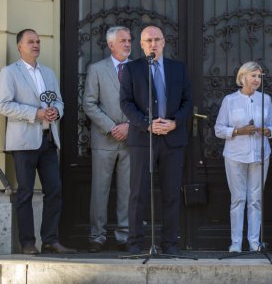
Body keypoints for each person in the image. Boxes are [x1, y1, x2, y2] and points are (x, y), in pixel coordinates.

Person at [0, 29, 76, 254]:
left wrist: (55, 112)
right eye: (30, 41)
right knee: (25, 193)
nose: (36, 45)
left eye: (38, 41)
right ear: (19, 46)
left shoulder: (48, 73)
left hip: (49, 140)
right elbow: (3, 105)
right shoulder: (9, 72)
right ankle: (28, 244)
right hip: (23, 143)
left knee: (55, 190)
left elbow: (59, 101)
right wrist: (36, 113)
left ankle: (50, 240)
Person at [120, 25, 193, 255]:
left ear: (164, 42)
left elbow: (188, 102)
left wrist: (174, 122)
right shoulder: (132, 70)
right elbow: (126, 103)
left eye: (157, 39)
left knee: (171, 194)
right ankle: (135, 243)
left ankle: (170, 243)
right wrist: (146, 123)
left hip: (172, 139)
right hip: (143, 139)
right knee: (138, 194)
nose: (153, 44)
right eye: (148, 40)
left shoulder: (178, 69)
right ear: (141, 44)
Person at [214, 62, 272, 253]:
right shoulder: (230, 100)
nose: (257, 80)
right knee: (238, 198)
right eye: (254, 76)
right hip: (235, 155)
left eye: (259, 76)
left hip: (259, 154)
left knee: (256, 199)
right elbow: (218, 129)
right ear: (243, 78)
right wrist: (238, 131)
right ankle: (235, 243)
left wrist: (268, 131)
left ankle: (254, 242)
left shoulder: (265, 99)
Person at [83, 26, 132, 252]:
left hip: (131, 140)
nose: (127, 44)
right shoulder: (97, 69)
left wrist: (130, 127)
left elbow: (146, 104)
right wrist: (113, 128)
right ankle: (97, 236)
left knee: (127, 190)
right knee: (99, 191)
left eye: (129, 40)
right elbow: (89, 104)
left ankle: (125, 236)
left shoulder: (138, 69)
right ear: (111, 44)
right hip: (105, 139)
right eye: (122, 40)